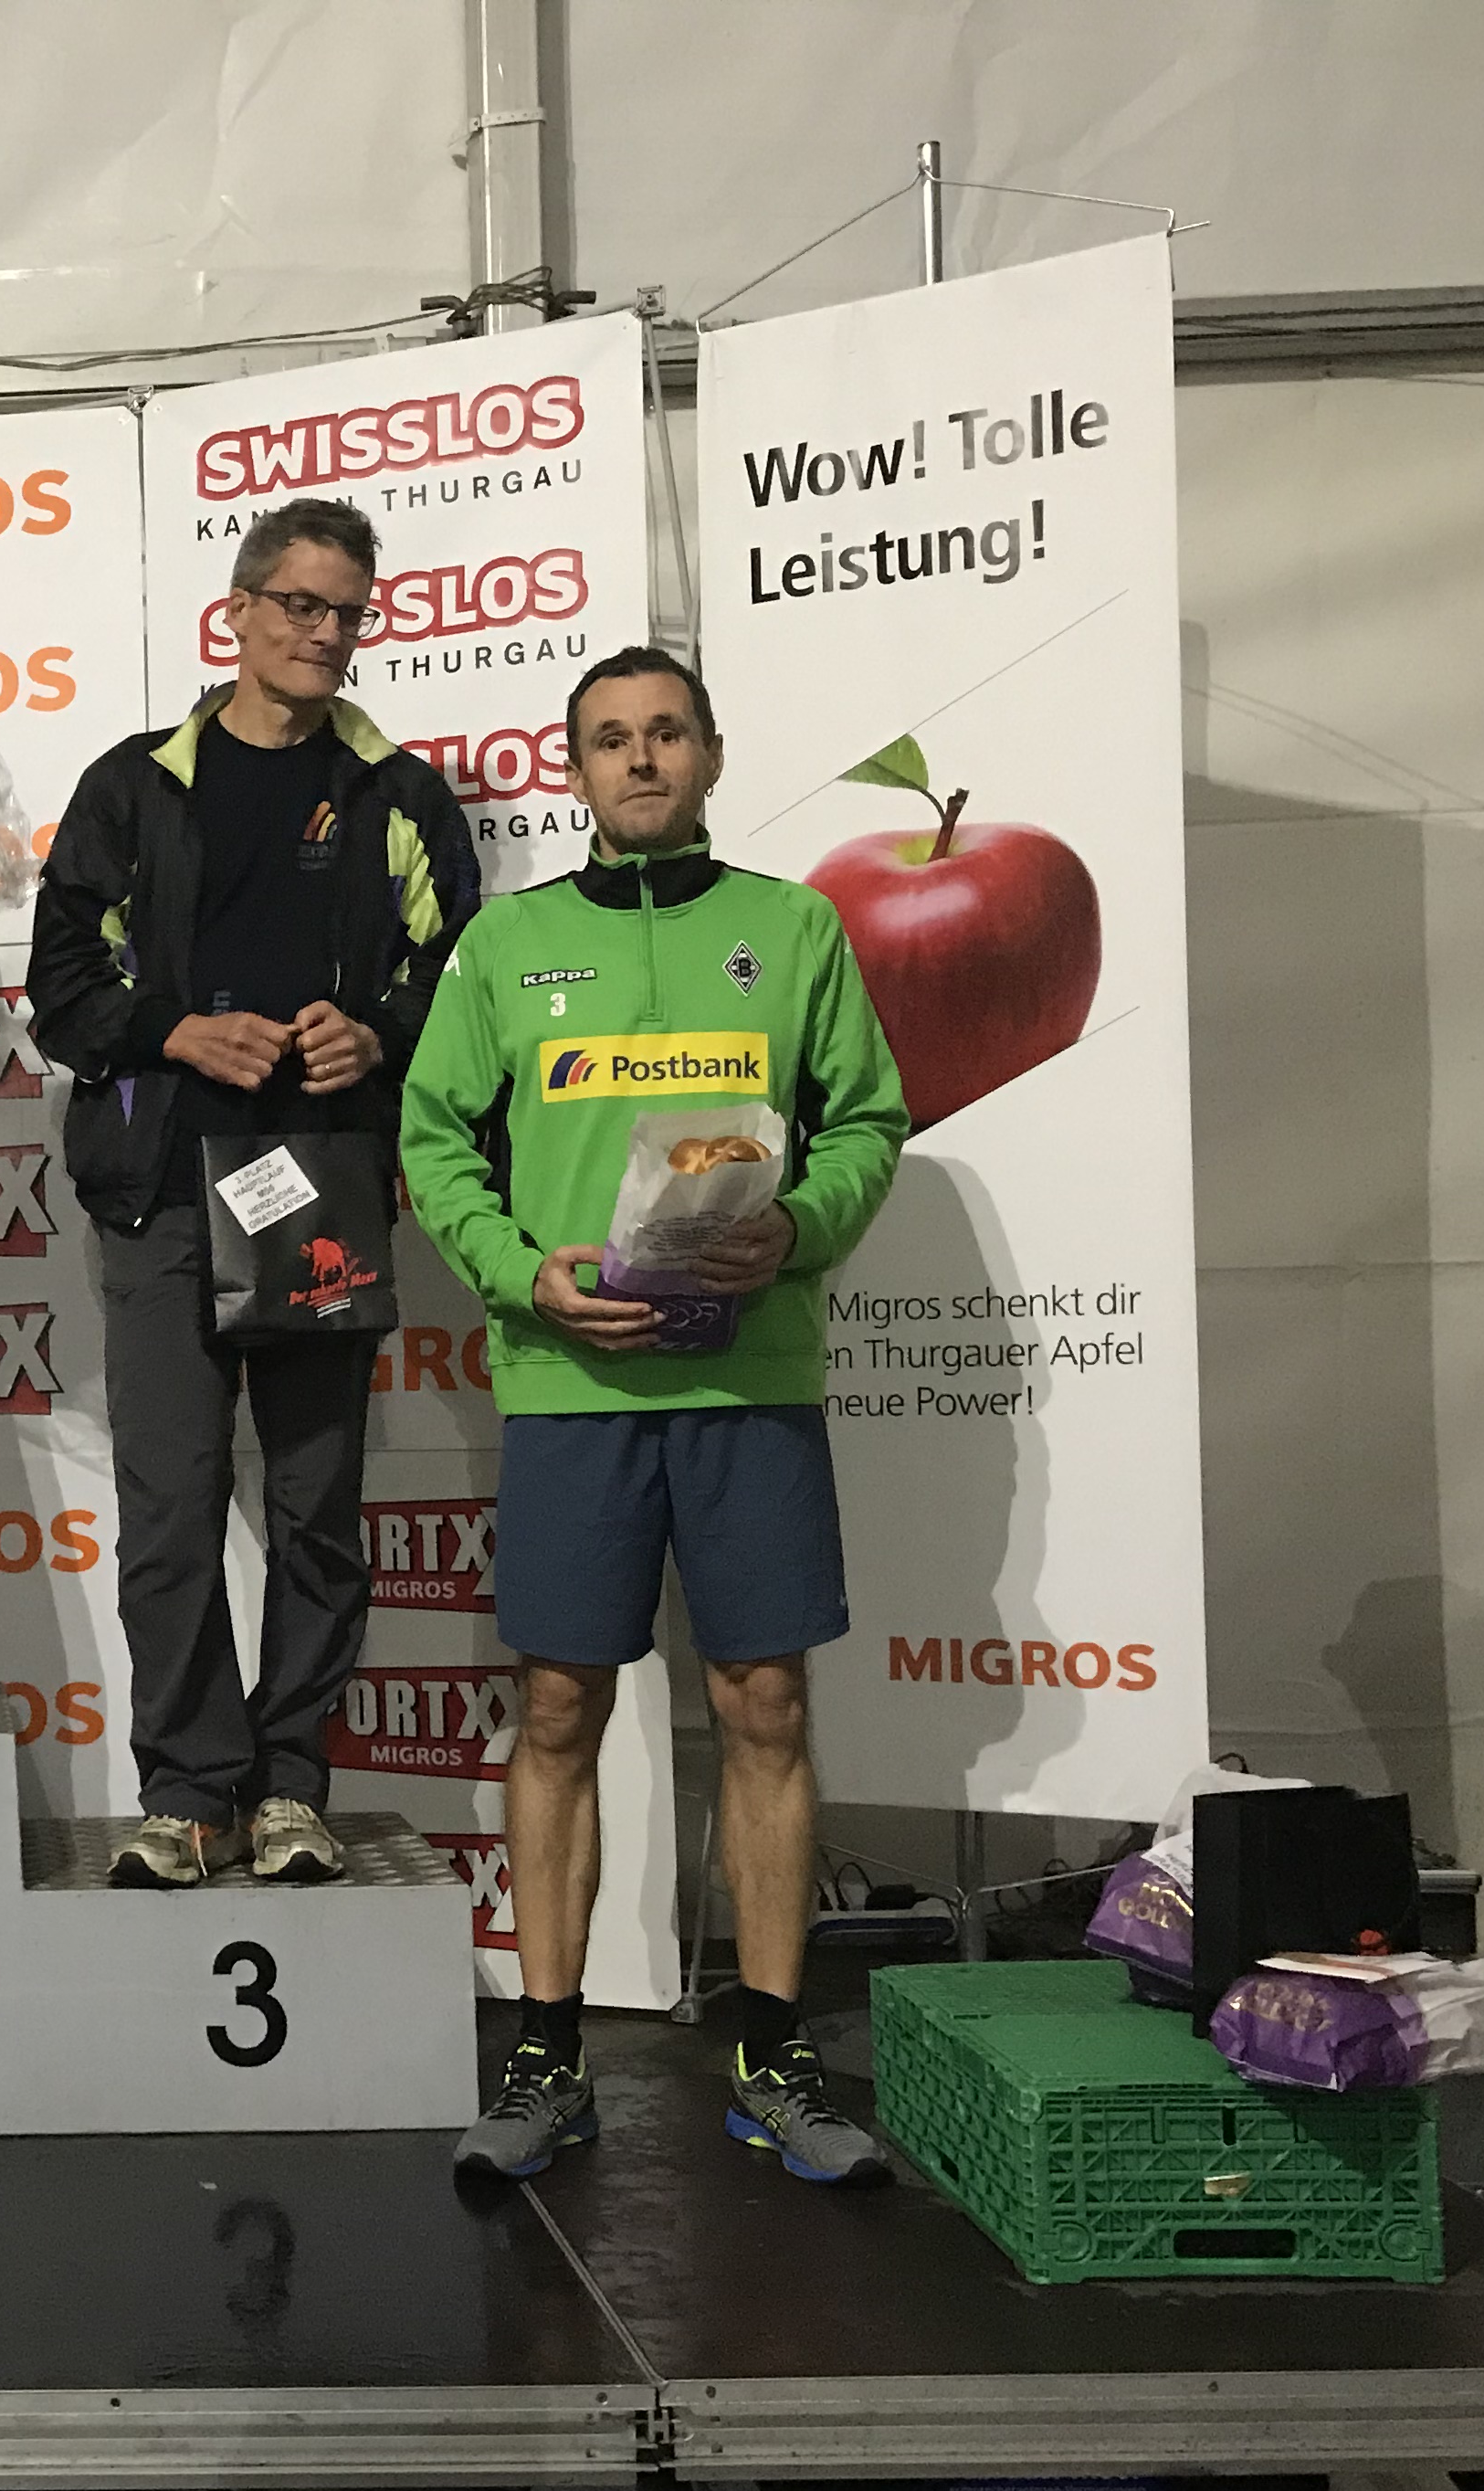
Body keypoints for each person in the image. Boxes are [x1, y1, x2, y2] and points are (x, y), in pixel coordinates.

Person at [400, 645, 909, 2190]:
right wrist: (522, 1276)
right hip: (575, 1390)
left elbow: (869, 1122)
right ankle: (548, 2054)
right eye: (611, 739)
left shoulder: (795, 926)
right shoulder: (507, 943)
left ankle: (772, 2050)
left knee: (766, 1709)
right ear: (575, 771)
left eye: (667, 732)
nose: (640, 759)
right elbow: (434, 1141)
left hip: (747, 1381)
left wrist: (798, 1227)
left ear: (710, 754)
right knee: (559, 1713)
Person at [30, 497, 481, 1890]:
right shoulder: (131, 787)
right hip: (163, 1195)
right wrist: (173, 1031)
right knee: (169, 1508)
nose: (326, 633)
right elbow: (60, 989)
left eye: (348, 612)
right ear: (237, 613)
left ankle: (291, 1789)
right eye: (301, 605)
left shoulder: (400, 796)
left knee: (316, 1509)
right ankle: (186, 1793)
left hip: (321, 1194)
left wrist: (379, 1035)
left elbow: (459, 978)